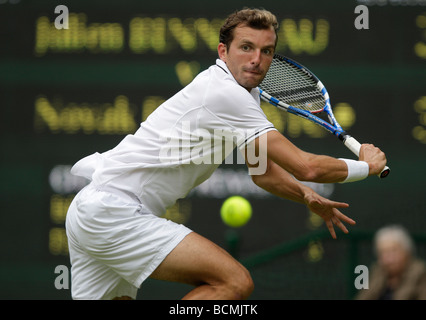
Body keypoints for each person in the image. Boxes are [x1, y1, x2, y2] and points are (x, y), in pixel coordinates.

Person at [65, 8, 387, 300]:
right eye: (246, 47)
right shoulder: (225, 94)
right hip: (114, 212)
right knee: (234, 282)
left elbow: (263, 172)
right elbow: (307, 167)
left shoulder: (247, 95)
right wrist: (365, 166)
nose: (257, 59)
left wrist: (306, 196)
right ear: (224, 51)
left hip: (92, 211)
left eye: (266, 51)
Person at [356, 225, 426, 300]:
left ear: (407, 252)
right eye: (383, 253)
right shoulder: (378, 272)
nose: (389, 259)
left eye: (393, 251)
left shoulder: (421, 273)